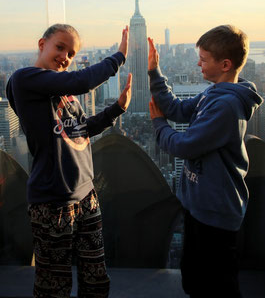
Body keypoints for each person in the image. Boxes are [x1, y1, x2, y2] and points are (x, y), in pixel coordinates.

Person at [6, 23, 132, 298]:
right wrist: (118, 56)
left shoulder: (65, 94)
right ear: (42, 44)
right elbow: (80, 81)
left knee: (96, 280)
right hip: (52, 202)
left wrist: (116, 109)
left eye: (71, 53)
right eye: (60, 47)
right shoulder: (24, 79)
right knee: (54, 286)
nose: (65, 56)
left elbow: (81, 130)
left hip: (87, 196)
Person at [147, 25, 263, 298]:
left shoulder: (226, 106)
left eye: (203, 58)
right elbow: (177, 108)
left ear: (225, 64)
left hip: (216, 212)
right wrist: (154, 72)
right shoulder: (214, 94)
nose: (197, 62)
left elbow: (184, 146)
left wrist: (158, 123)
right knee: (196, 279)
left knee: (217, 285)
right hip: (199, 205)